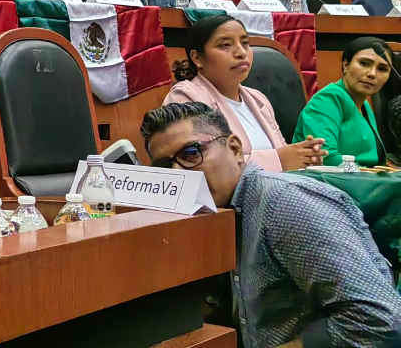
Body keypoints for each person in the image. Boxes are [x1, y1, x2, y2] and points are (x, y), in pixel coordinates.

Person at [142, 102, 401, 348]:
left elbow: (378, 321)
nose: (180, 174)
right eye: (166, 166)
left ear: (234, 148)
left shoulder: (284, 203)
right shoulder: (211, 215)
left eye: (191, 153)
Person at [164, 14, 326, 171]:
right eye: (225, 45)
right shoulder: (185, 97)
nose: (241, 52)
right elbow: (201, 165)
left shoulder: (258, 99)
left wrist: (304, 156)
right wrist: (279, 160)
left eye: (245, 43)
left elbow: (282, 153)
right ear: (197, 58)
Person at [294, 37, 393, 166]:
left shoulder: (364, 104)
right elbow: (326, 158)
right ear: (345, 65)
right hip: (328, 182)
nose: (372, 74)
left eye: (382, 69)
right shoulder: (326, 100)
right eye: (364, 63)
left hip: (362, 180)